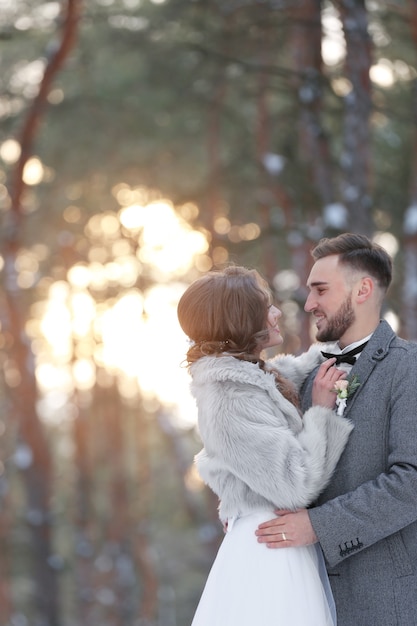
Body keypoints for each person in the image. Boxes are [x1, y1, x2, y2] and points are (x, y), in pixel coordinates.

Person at [177, 265, 353, 626]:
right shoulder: (229, 400)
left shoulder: (251, 379)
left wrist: (353, 341)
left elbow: (293, 373)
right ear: (239, 320)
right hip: (269, 551)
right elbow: (295, 484)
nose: (276, 313)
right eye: (265, 306)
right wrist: (321, 411)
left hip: (279, 540)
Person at [255, 233, 417, 626]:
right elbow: (287, 464)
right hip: (304, 596)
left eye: (320, 290)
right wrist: (245, 505)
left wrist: (318, 526)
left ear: (363, 289)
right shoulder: (305, 376)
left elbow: (411, 481)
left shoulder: (408, 369)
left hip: (385, 600)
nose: (309, 304)